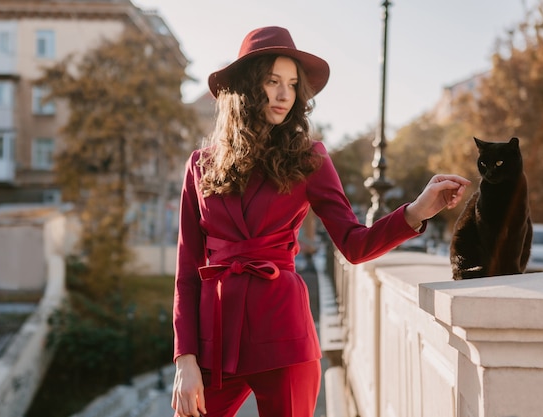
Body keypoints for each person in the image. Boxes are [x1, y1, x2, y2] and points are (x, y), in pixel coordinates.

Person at [171, 26, 470, 417]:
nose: (284, 94)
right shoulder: (201, 165)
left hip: (284, 336)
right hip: (217, 338)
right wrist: (185, 359)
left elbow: (354, 243)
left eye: (293, 85)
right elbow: (187, 273)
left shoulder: (309, 158)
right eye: (272, 81)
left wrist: (416, 212)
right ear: (245, 87)